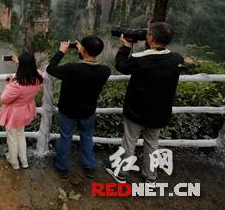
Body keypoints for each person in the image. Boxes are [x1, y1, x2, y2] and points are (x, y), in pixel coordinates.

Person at [107, 22, 184, 184]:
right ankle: (150, 177)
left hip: (136, 110)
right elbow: (158, 59)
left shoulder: (139, 59)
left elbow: (121, 66)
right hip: (159, 112)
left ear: (150, 38)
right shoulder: (177, 59)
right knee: (152, 143)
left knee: (129, 142)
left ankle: (122, 174)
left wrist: (126, 46)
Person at [46, 36, 111, 178]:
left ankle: (62, 167)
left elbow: (51, 68)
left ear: (83, 49)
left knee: (65, 137)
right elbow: (86, 69)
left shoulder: (71, 69)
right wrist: (82, 51)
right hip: (88, 111)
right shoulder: (105, 71)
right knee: (87, 136)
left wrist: (61, 52)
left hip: (68, 110)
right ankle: (89, 165)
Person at [0, 52, 42, 170]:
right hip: (26, 110)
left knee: (12, 138)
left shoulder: (17, 85)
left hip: (14, 113)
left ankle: (14, 162)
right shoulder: (38, 77)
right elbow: (34, 70)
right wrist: (19, 63)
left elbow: (4, 99)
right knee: (21, 134)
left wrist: (9, 83)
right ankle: (24, 161)